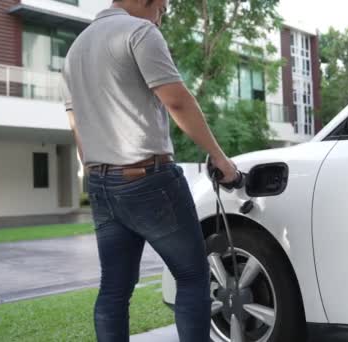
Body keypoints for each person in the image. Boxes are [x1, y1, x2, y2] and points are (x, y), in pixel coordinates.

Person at [61, 0, 238, 341]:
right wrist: (219, 157)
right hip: (149, 180)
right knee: (192, 276)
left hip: (100, 182)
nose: (161, 17)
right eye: (162, 9)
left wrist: (97, 173)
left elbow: (76, 125)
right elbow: (177, 101)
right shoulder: (140, 32)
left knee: (114, 290)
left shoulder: (75, 51)